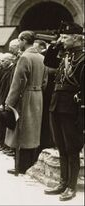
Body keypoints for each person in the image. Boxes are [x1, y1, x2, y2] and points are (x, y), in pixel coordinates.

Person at [43, 22, 84, 201]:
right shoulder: (65, 55)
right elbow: (48, 62)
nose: (62, 40)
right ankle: (62, 182)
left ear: (76, 38)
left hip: (72, 109)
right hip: (56, 105)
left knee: (72, 148)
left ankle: (71, 186)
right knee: (60, 146)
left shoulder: (82, 57)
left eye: (66, 37)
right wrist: (56, 43)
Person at [3, 31, 47, 175]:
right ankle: (29, 164)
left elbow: (17, 84)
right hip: (38, 96)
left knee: (20, 132)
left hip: (25, 97)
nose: (19, 43)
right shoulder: (41, 57)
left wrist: (8, 102)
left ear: (23, 40)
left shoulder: (24, 57)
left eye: (19, 40)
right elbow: (45, 81)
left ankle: (20, 167)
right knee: (33, 131)